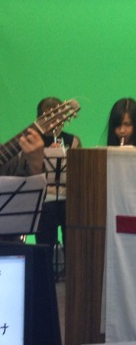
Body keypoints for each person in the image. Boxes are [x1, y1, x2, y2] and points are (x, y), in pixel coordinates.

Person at [35, 97, 82, 261]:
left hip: (66, 194)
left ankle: (73, 263)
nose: (54, 122)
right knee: (47, 213)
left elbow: (79, 172)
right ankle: (44, 263)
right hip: (44, 196)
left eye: (57, 117)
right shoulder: (34, 141)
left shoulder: (73, 141)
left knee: (72, 212)